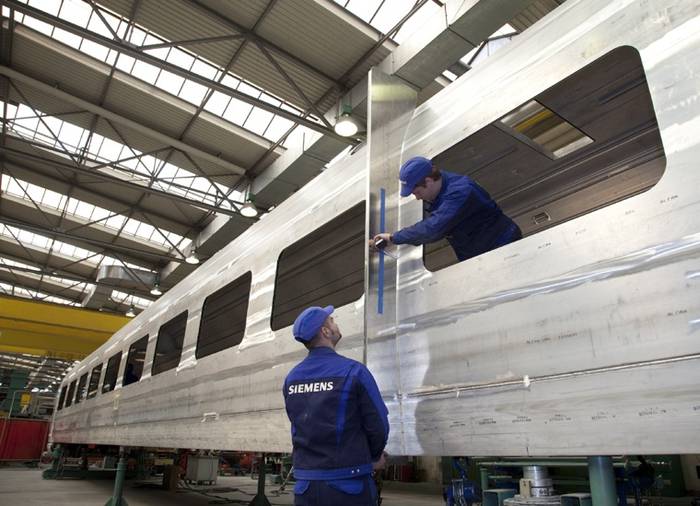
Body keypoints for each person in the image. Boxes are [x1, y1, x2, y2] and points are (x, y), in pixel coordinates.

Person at [283, 305, 389, 506]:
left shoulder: (292, 378)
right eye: (331, 320)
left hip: (305, 486)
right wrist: (374, 456)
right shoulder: (354, 371)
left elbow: (299, 425)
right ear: (325, 331)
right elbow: (378, 425)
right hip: (348, 484)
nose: (335, 323)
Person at [371, 156, 522, 262]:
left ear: (428, 181)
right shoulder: (439, 189)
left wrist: (393, 238)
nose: (417, 198)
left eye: (417, 192)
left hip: (502, 245)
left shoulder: (460, 191)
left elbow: (433, 229)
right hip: (476, 251)